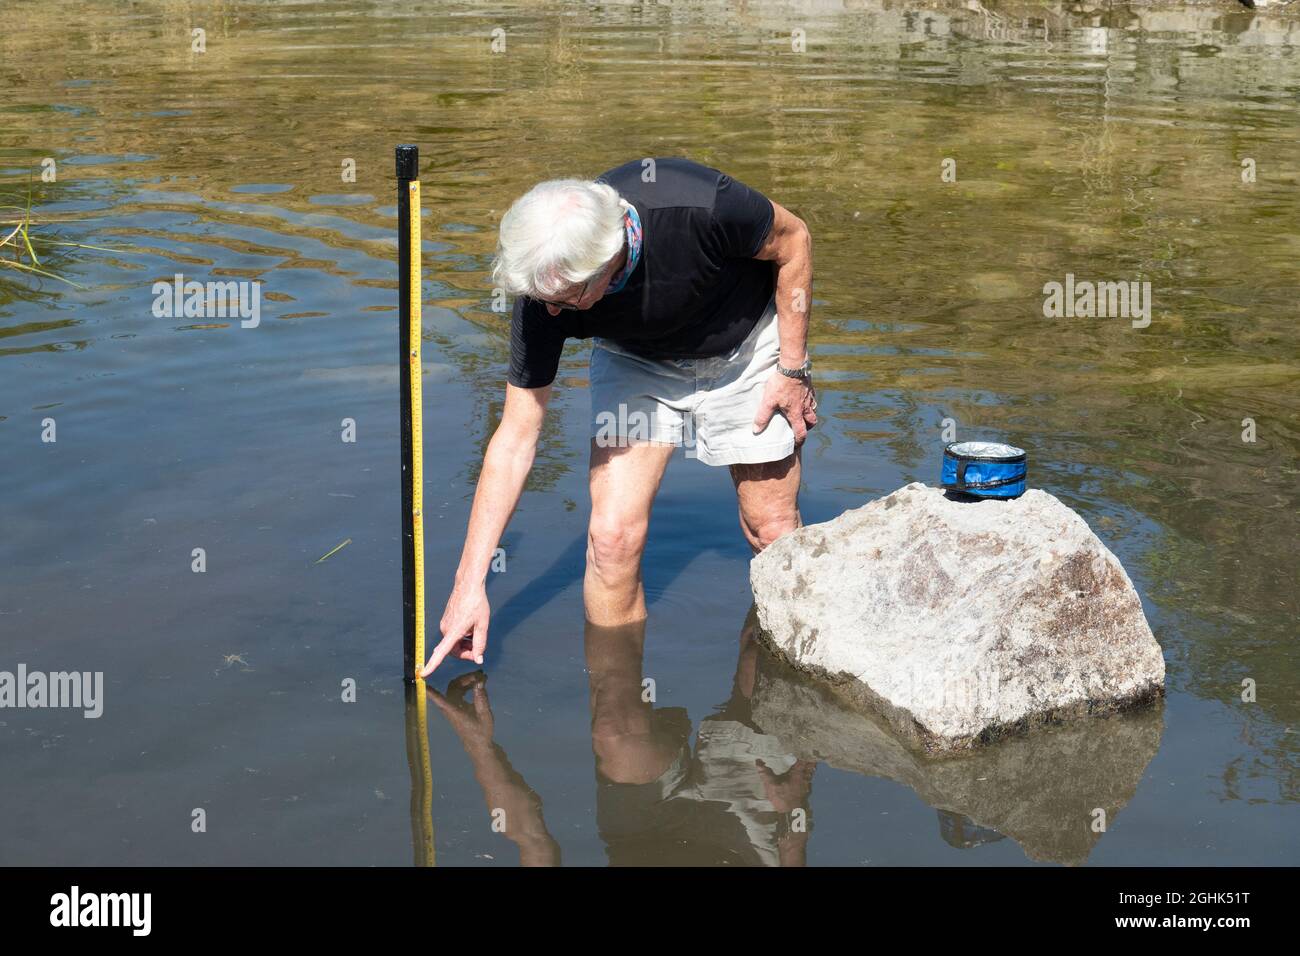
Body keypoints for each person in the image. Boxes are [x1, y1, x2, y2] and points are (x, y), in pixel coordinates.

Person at [420, 157, 815, 677]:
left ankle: (787, 695)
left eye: (567, 299)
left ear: (611, 257)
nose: (553, 313)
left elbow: (794, 240)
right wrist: (468, 587)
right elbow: (516, 438)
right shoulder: (546, 296)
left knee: (771, 529)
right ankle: (618, 705)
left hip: (747, 345)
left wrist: (792, 366)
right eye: (545, 300)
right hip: (636, 361)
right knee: (611, 540)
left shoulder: (700, 205)